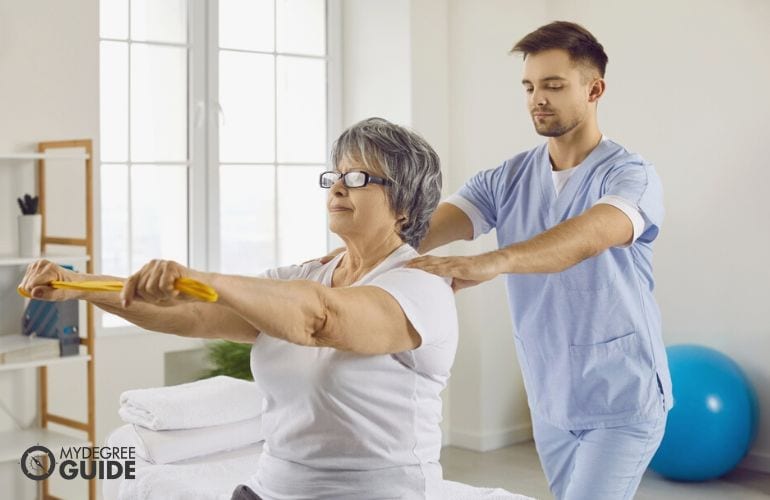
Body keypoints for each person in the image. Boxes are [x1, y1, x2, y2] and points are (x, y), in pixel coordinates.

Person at [19, 118, 460, 499]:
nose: (339, 186)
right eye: (336, 175)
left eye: (361, 177)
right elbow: (192, 314)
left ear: (404, 205)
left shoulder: (419, 284)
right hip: (269, 490)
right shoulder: (304, 277)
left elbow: (322, 319)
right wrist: (79, 286)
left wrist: (206, 280)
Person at [405, 21, 672, 500]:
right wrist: (344, 257)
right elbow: (419, 234)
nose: (536, 99)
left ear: (595, 89)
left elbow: (590, 236)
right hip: (551, 399)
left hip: (621, 400)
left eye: (553, 85)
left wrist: (495, 261)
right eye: (528, 86)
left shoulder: (631, 175)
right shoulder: (506, 178)